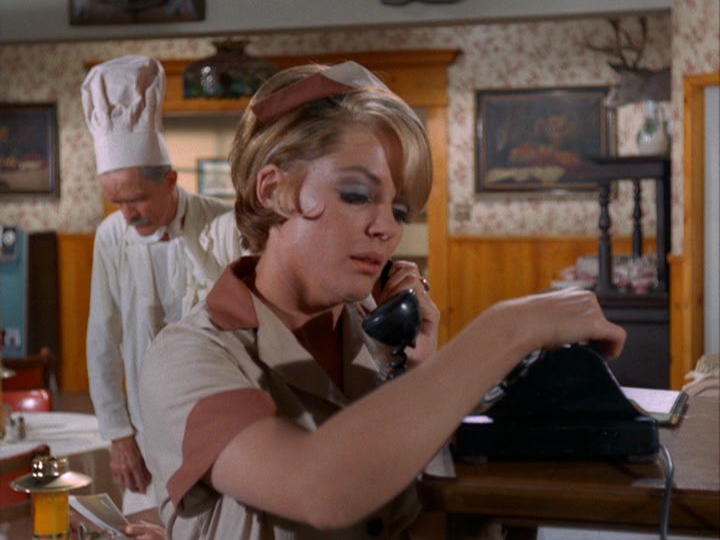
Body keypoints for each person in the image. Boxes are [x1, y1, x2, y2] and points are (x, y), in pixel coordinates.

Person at [139, 61, 626, 539]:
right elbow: (318, 488)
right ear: (274, 189)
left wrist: (418, 372)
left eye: (399, 209)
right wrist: (508, 330)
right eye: (357, 194)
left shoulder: (383, 341)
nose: (387, 228)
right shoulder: (189, 356)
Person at [81, 55, 241, 514]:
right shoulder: (112, 236)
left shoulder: (223, 225)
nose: (128, 214)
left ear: (170, 180)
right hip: (145, 434)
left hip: (221, 427)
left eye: (136, 200)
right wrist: (119, 435)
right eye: (116, 202)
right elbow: (102, 339)